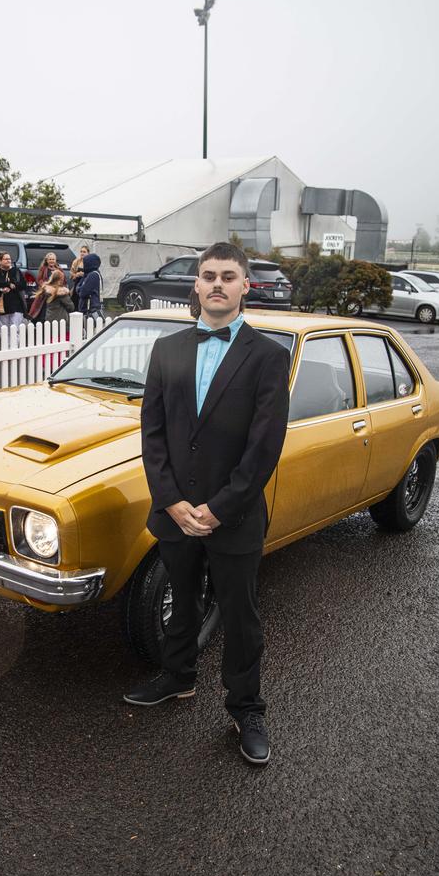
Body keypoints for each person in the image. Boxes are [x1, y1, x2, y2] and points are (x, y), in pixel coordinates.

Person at [123, 241, 291, 767]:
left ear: (245, 286)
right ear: (195, 285)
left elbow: (264, 447)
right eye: (208, 275)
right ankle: (178, 677)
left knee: (240, 615)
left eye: (228, 276)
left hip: (234, 516)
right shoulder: (167, 349)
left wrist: (218, 508)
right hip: (174, 512)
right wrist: (170, 500)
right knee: (183, 597)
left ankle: (246, 708)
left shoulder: (268, 357)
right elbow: (153, 434)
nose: (217, 284)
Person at [0, 251, 25, 330]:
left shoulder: (16, 271)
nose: (8, 261)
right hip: (1, 305)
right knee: (3, 331)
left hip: (16, 306)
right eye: (6, 259)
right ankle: (6, 343)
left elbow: (23, 285)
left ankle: (14, 343)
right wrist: (6, 285)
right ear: (0, 261)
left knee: (15, 331)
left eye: (9, 259)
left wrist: (13, 286)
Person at [77, 252, 104, 321]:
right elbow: (78, 288)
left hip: (91, 310)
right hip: (90, 310)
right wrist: (80, 288)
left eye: (84, 263)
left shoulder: (92, 275)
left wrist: (80, 289)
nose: (83, 265)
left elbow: (82, 293)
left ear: (89, 263)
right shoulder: (90, 274)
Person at [70, 244, 89, 308]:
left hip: (85, 285)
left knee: (83, 304)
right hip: (77, 285)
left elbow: (92, 274)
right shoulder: (76, 261)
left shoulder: (90, 262)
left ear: (88, 253)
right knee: (75, 303)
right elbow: (71, 276)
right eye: (81, 251)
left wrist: (84, 274)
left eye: (84, 252)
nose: (82, 253)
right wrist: (76, 275)